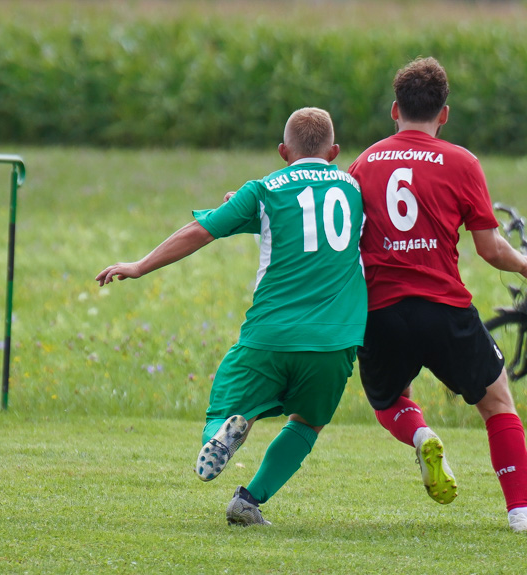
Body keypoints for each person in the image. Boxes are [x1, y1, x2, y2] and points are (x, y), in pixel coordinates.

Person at [96, 107, 367, 526]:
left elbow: (199, 233)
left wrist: (138, 265)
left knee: (224, 401)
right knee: (307, 424)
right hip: (337, 337)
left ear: (282, 151)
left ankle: (221, 435)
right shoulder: (355, 190)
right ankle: (248, 501)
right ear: (334, 151)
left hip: (271, 334)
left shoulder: (263, 190)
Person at [347, 57, 527, 532]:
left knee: (388, 401)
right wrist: (523, 263)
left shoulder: (365, 161)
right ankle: (521, 513)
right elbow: (488, 248)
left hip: (381, 311)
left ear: (395, 111)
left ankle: (420, 435)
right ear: (444, 114)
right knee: (497, 403)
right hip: (444, 308)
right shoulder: (462, 162)